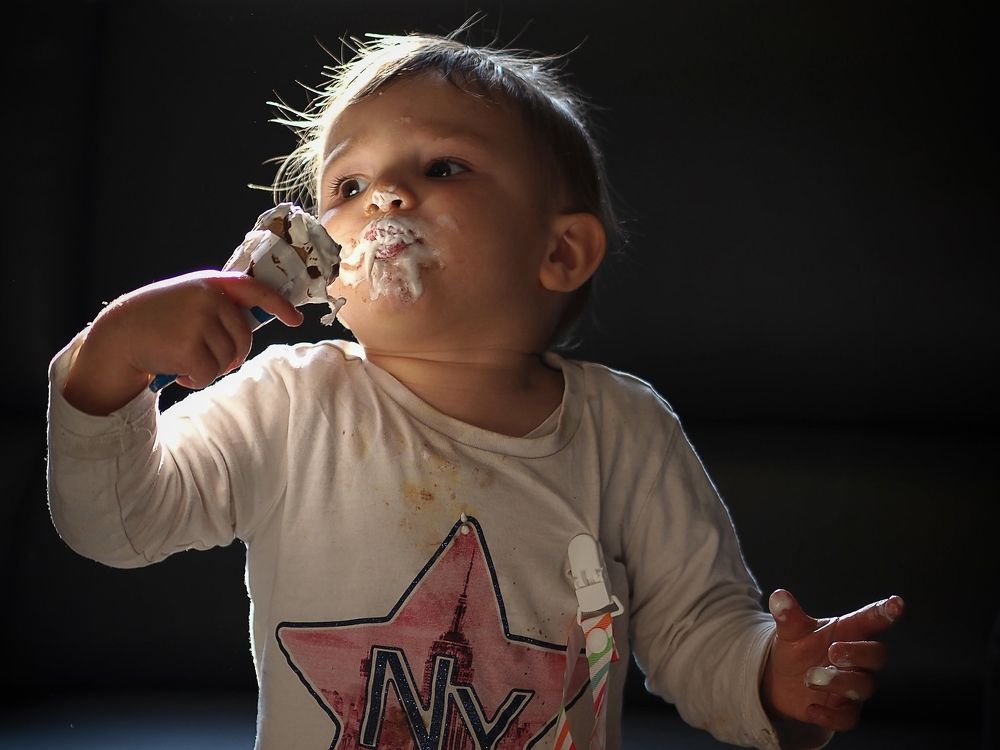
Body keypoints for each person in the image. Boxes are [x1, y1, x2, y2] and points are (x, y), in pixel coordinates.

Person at [46, 28, 904, 750]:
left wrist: (773, 677)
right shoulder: (287, 401)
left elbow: (696, 632)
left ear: (560, 252)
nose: (385, 196)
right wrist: (108, 363)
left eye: (444, 167)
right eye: (347, 186)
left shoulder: (626, 432)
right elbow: (119, 520)